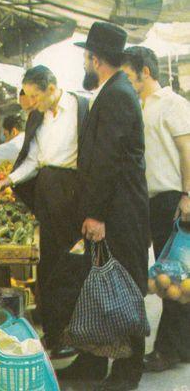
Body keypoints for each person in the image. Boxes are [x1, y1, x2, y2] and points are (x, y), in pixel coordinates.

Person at [58, 22, 151, 391]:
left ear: (95, 59)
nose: (85, 63)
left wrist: (96, 214)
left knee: (124, 286)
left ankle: (128, 372)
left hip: (119, 212)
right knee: (96, 283)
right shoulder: (115, 91)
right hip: (114, 208)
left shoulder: (116, 95)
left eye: (86, 57)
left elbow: (108, 160)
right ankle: (93, 361)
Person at [0, 65, 89, 359]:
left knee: (72, 266)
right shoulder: (37, 117)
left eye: (35, 96)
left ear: (52, 88)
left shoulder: (80, 107)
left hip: (73, 189)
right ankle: (53, 334)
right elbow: (33, 159)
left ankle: (73, 334)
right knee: (48, 263)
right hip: (47, 189)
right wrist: (9, 179)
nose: (31, 102)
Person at [122, 46, 190, 372]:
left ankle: (167, 350)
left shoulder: (172, 104)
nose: (123, 79)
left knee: (171, 279)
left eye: (127, 73)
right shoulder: (138, 106)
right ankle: (182, 346)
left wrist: (188, 195)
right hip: (147, 200)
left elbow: (187, 150)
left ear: (144, 71)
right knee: (173, 276)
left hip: (172, 198)